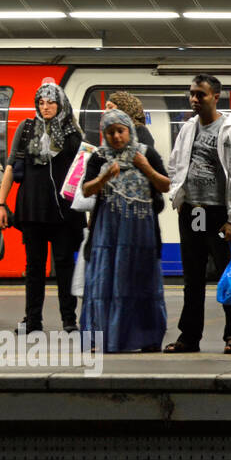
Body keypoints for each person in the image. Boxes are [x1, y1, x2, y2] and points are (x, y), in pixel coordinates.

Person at [163, 74, 231, 354]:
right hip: (192, 211)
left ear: (215, 97)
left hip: (219, 214)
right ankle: (189, 337)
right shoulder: (188, 128)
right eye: (191, 94)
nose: (194, 99)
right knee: (192, 278)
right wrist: (178, 196)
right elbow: (175, 163)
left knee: (229, 275)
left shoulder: (230, 129)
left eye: (200, 94)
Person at [78, 109, 169, 352]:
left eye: (121, 131)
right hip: (108, 232)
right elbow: (86, 190)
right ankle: (105, 338)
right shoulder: (99, 157)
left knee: (143, 281)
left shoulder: (146, 154)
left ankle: (146, 338)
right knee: (105, 282)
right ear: (104, 135)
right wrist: (104, 177)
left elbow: (166, 185)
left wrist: (146, 168)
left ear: (129, 130)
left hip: (141, 232)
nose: (117, 136)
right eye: (111, 132)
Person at [0, 81, 88, 334]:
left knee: (64, 266)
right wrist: (1, 203)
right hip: (32, 209)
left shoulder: (73, 133)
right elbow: (9, 166)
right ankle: (32, 319)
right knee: (34, 267)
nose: (46, 107)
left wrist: (90, 209)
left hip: (64, 211)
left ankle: (69, 320)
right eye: (41, 102)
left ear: (60, 104)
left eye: (51, 102)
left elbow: (82, 173)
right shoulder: (26, 129)